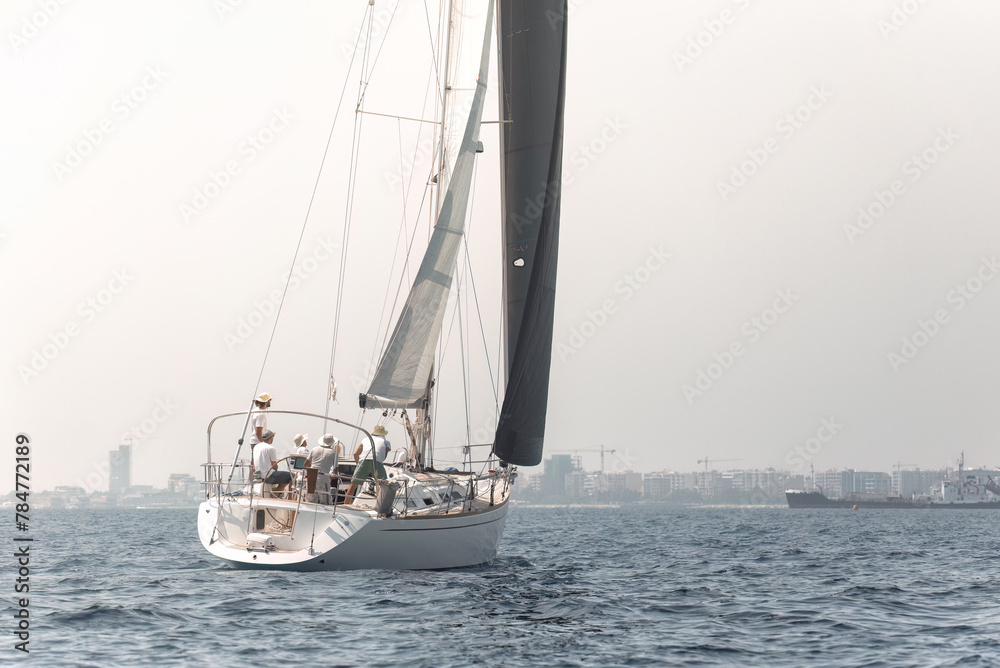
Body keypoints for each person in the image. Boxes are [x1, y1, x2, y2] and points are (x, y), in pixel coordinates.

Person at [345, 425, 390, 504]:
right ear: (383, 433)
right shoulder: (386, 440)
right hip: (377, 461)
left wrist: (358, 466)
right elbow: (385, 455)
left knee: (353, 484)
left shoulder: (366, 439)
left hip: (363, 460)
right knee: (384, 485)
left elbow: (355, 454)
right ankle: (383, 505)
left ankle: (345, 503)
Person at [305, 434, 342, 504]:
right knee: (326, 502)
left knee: (310, 501)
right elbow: (335, 471)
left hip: (311, 477)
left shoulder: (314, 449)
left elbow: (306, 464)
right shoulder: (334, 452)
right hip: (323, 478)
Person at [253, 430, 291, 496]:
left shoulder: (256, 447)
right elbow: (274, 466)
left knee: (282, 476)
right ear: (271, 438)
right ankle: (276, 494)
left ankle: (275, 494)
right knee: (292, 476)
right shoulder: (271, 448)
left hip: (259, 476)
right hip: (268, 476)